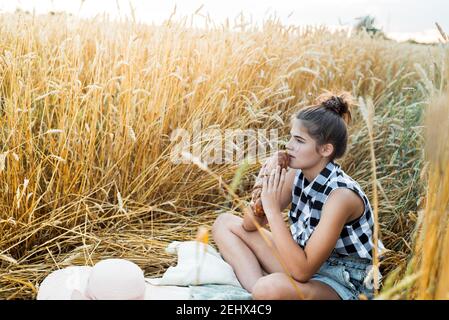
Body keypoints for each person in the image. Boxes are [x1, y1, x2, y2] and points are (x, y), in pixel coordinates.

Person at [212, 92, 385, 300]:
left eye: (299, 140)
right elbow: (249, 226)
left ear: (325, 149)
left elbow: (303, 271)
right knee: (224, 223)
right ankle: (257, 290)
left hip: (343, 281)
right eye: (291, 137)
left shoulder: (341, 195)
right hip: (305, 263)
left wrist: (273, 210)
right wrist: (263, 189)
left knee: (269, 288)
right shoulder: (296, 173)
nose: (289, 146)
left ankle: (263, 290)